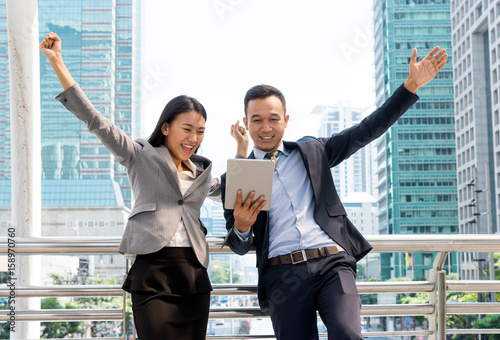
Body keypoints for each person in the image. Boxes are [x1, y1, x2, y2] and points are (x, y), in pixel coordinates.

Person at [221, 46, 448, 339]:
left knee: (347, 333)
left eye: (273, 118)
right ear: (246, 122)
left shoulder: (313, 151)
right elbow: (239, 245)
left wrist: (410, 87)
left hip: (333, 264)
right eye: (257, 120)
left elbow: (367, 129)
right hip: (282, 274)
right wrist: (241, 226)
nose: (266, 127)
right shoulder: (237, 177)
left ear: (286, 120)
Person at [40, 32, 247, 340]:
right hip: (152, 269)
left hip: (194, 271)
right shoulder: (138, 154)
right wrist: (58, 62)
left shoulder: (203, 172)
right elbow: (96, 121)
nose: (194, 138)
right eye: (187, 129)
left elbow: (233, 193)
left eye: (200, 132)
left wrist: (241, 150)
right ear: (166, 127)